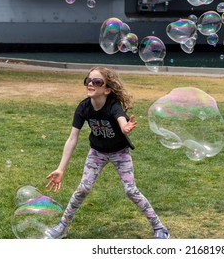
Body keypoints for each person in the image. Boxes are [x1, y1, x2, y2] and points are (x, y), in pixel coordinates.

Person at [44, 67, 170, 239]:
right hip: (97, 153)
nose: (90, 83)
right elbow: (72, 138)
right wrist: (61, 169)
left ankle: (160, 228)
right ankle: (62, 226)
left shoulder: (113, 105)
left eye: (97, 82)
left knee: (130, 190)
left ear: (107, 89)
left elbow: (120, 118)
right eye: (88, 80)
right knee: (83, 188)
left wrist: (124, 126)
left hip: (120, 153)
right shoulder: (83, 107)